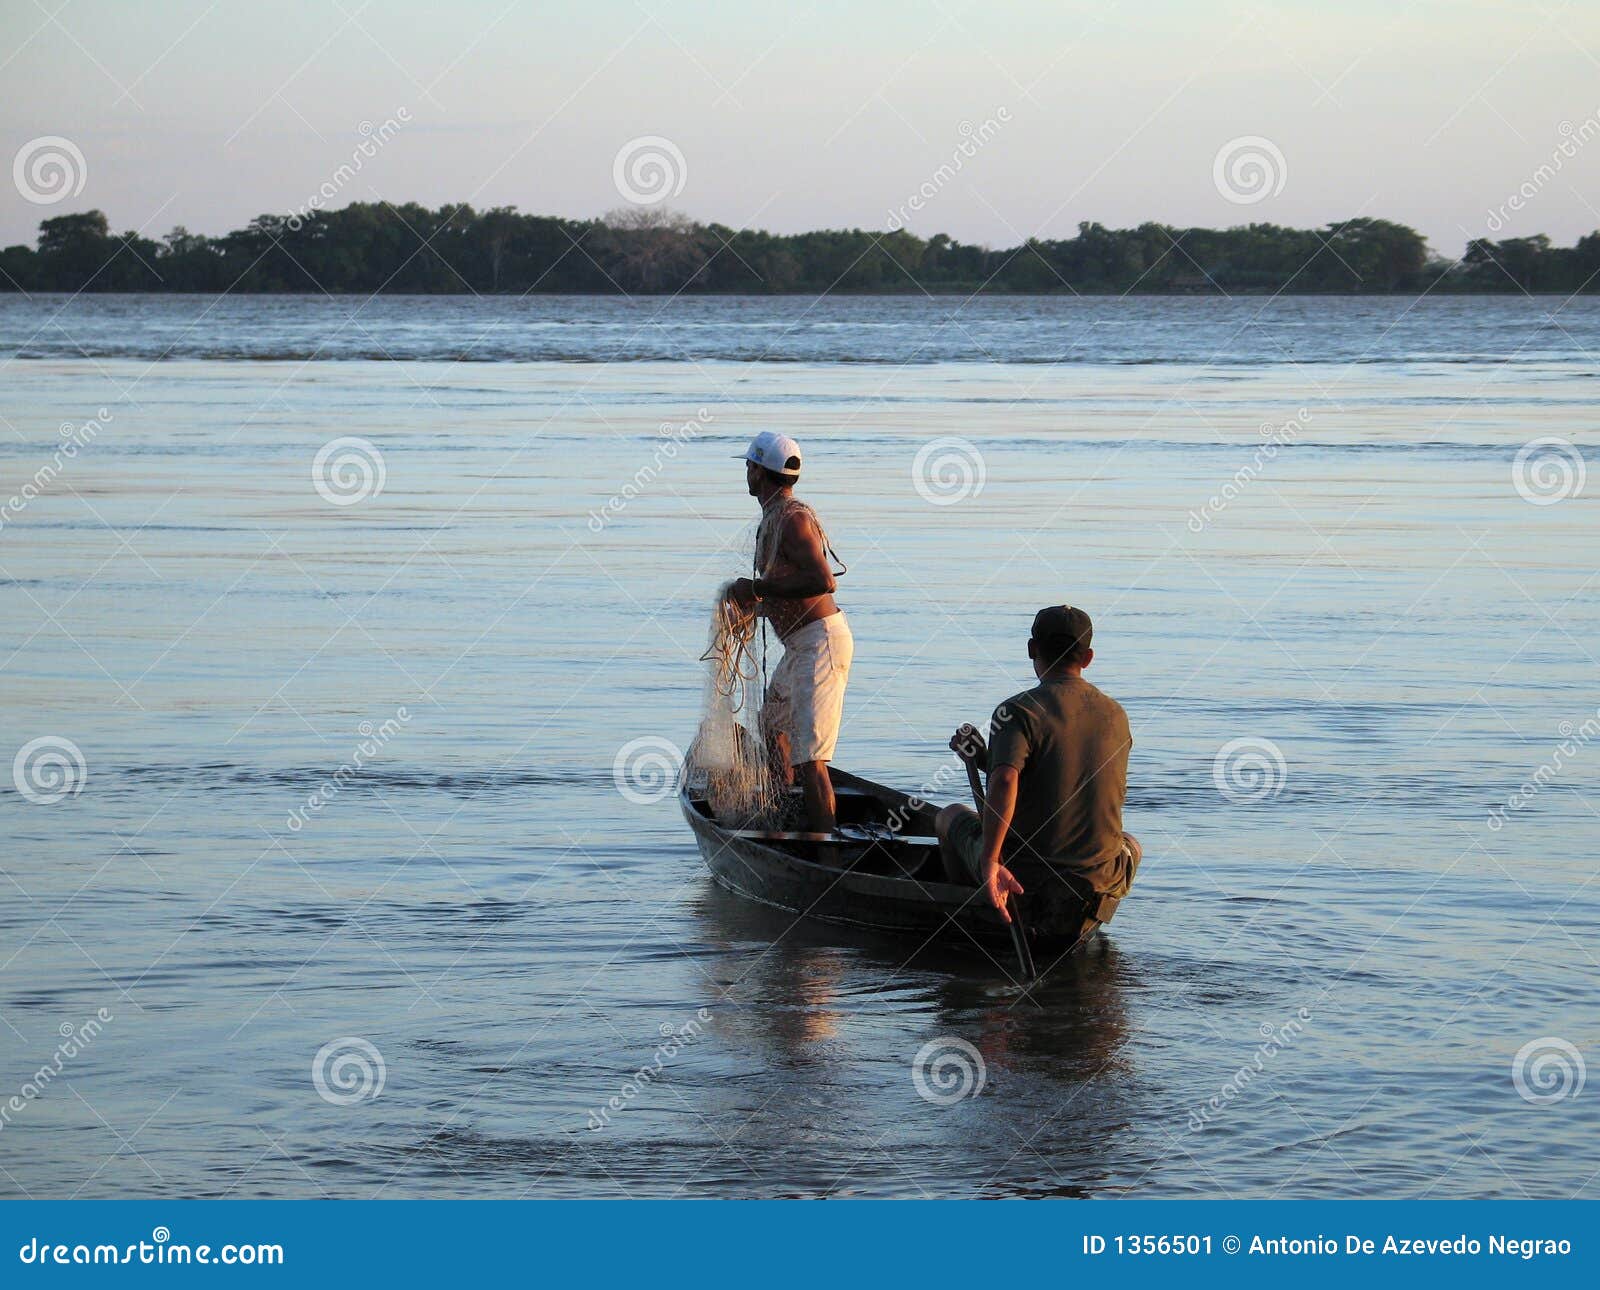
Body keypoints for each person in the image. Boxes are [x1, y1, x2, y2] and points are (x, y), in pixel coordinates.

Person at [935, 605, 1140, 930]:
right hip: (1101, 877)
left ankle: (982, 899)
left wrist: (990, 860)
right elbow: (1061, 771)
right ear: (1088, 658)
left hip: (1027, 873)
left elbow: (1005, 781)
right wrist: (984, 759)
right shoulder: (1116, 715)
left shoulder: (1017, 711)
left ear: (1032, 649)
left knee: (949, 816)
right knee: (1131, 843)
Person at [728, 432, 852, 834]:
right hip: (800, 645)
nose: (745, 472)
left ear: (761, 472)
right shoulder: (773, 516)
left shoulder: (794, 519)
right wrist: (753, 609)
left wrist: (757, 589)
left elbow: (823, 582)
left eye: (749, 466)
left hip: (821, 643)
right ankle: (783, 810)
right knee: (770, 728)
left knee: (811, 758)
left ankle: (824, 851)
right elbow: (790, 595)